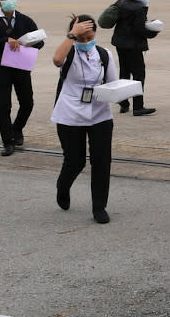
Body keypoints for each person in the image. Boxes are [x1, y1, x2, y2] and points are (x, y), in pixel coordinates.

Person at [51, 14, 118, 224]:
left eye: (90, 37)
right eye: (82, 38)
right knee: (75, 160)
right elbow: (56, 60)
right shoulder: (68, 51)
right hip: (70, 113)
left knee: (101, 161)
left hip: (100, 113)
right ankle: (63, 186)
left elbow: (112, 83)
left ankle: (99, 206)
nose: (86, 42)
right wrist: (72, 35)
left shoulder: (104, 54)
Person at [0, 0, 45, 156]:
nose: (9, 1)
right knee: (3, 105)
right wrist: (5, 41)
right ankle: (7, 141)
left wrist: (30, 43)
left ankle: (17, 129)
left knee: (27, 102)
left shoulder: (25, 20)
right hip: (1, 68)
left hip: (22, 66)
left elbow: (40, 42)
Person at [111, 0, 159, 116]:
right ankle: (138, 106)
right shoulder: (139, 7)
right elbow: (139, 28)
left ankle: (124, 104)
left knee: (124, 73)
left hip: (120, 43)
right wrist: (153, 32)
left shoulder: (121, 2)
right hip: (133, 45)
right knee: (139, 75)